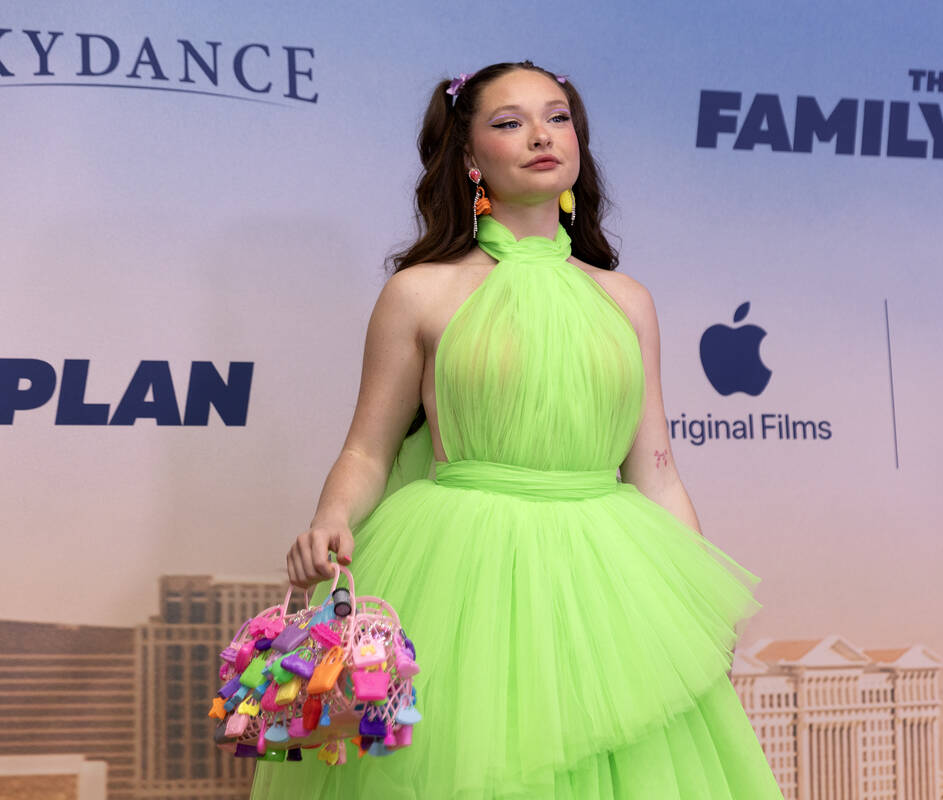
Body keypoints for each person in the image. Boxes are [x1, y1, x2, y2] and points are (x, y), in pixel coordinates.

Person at [251, 60, 781, 799]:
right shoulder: (419, 294)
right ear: (470, 159)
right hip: (464, 580)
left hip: (612, 580)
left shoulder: (627, 300)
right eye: (509, 122)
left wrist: (695, 608)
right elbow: (367, 449)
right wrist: (330, 520)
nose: (541, 135)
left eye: (557, 117)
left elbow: (656, 470)